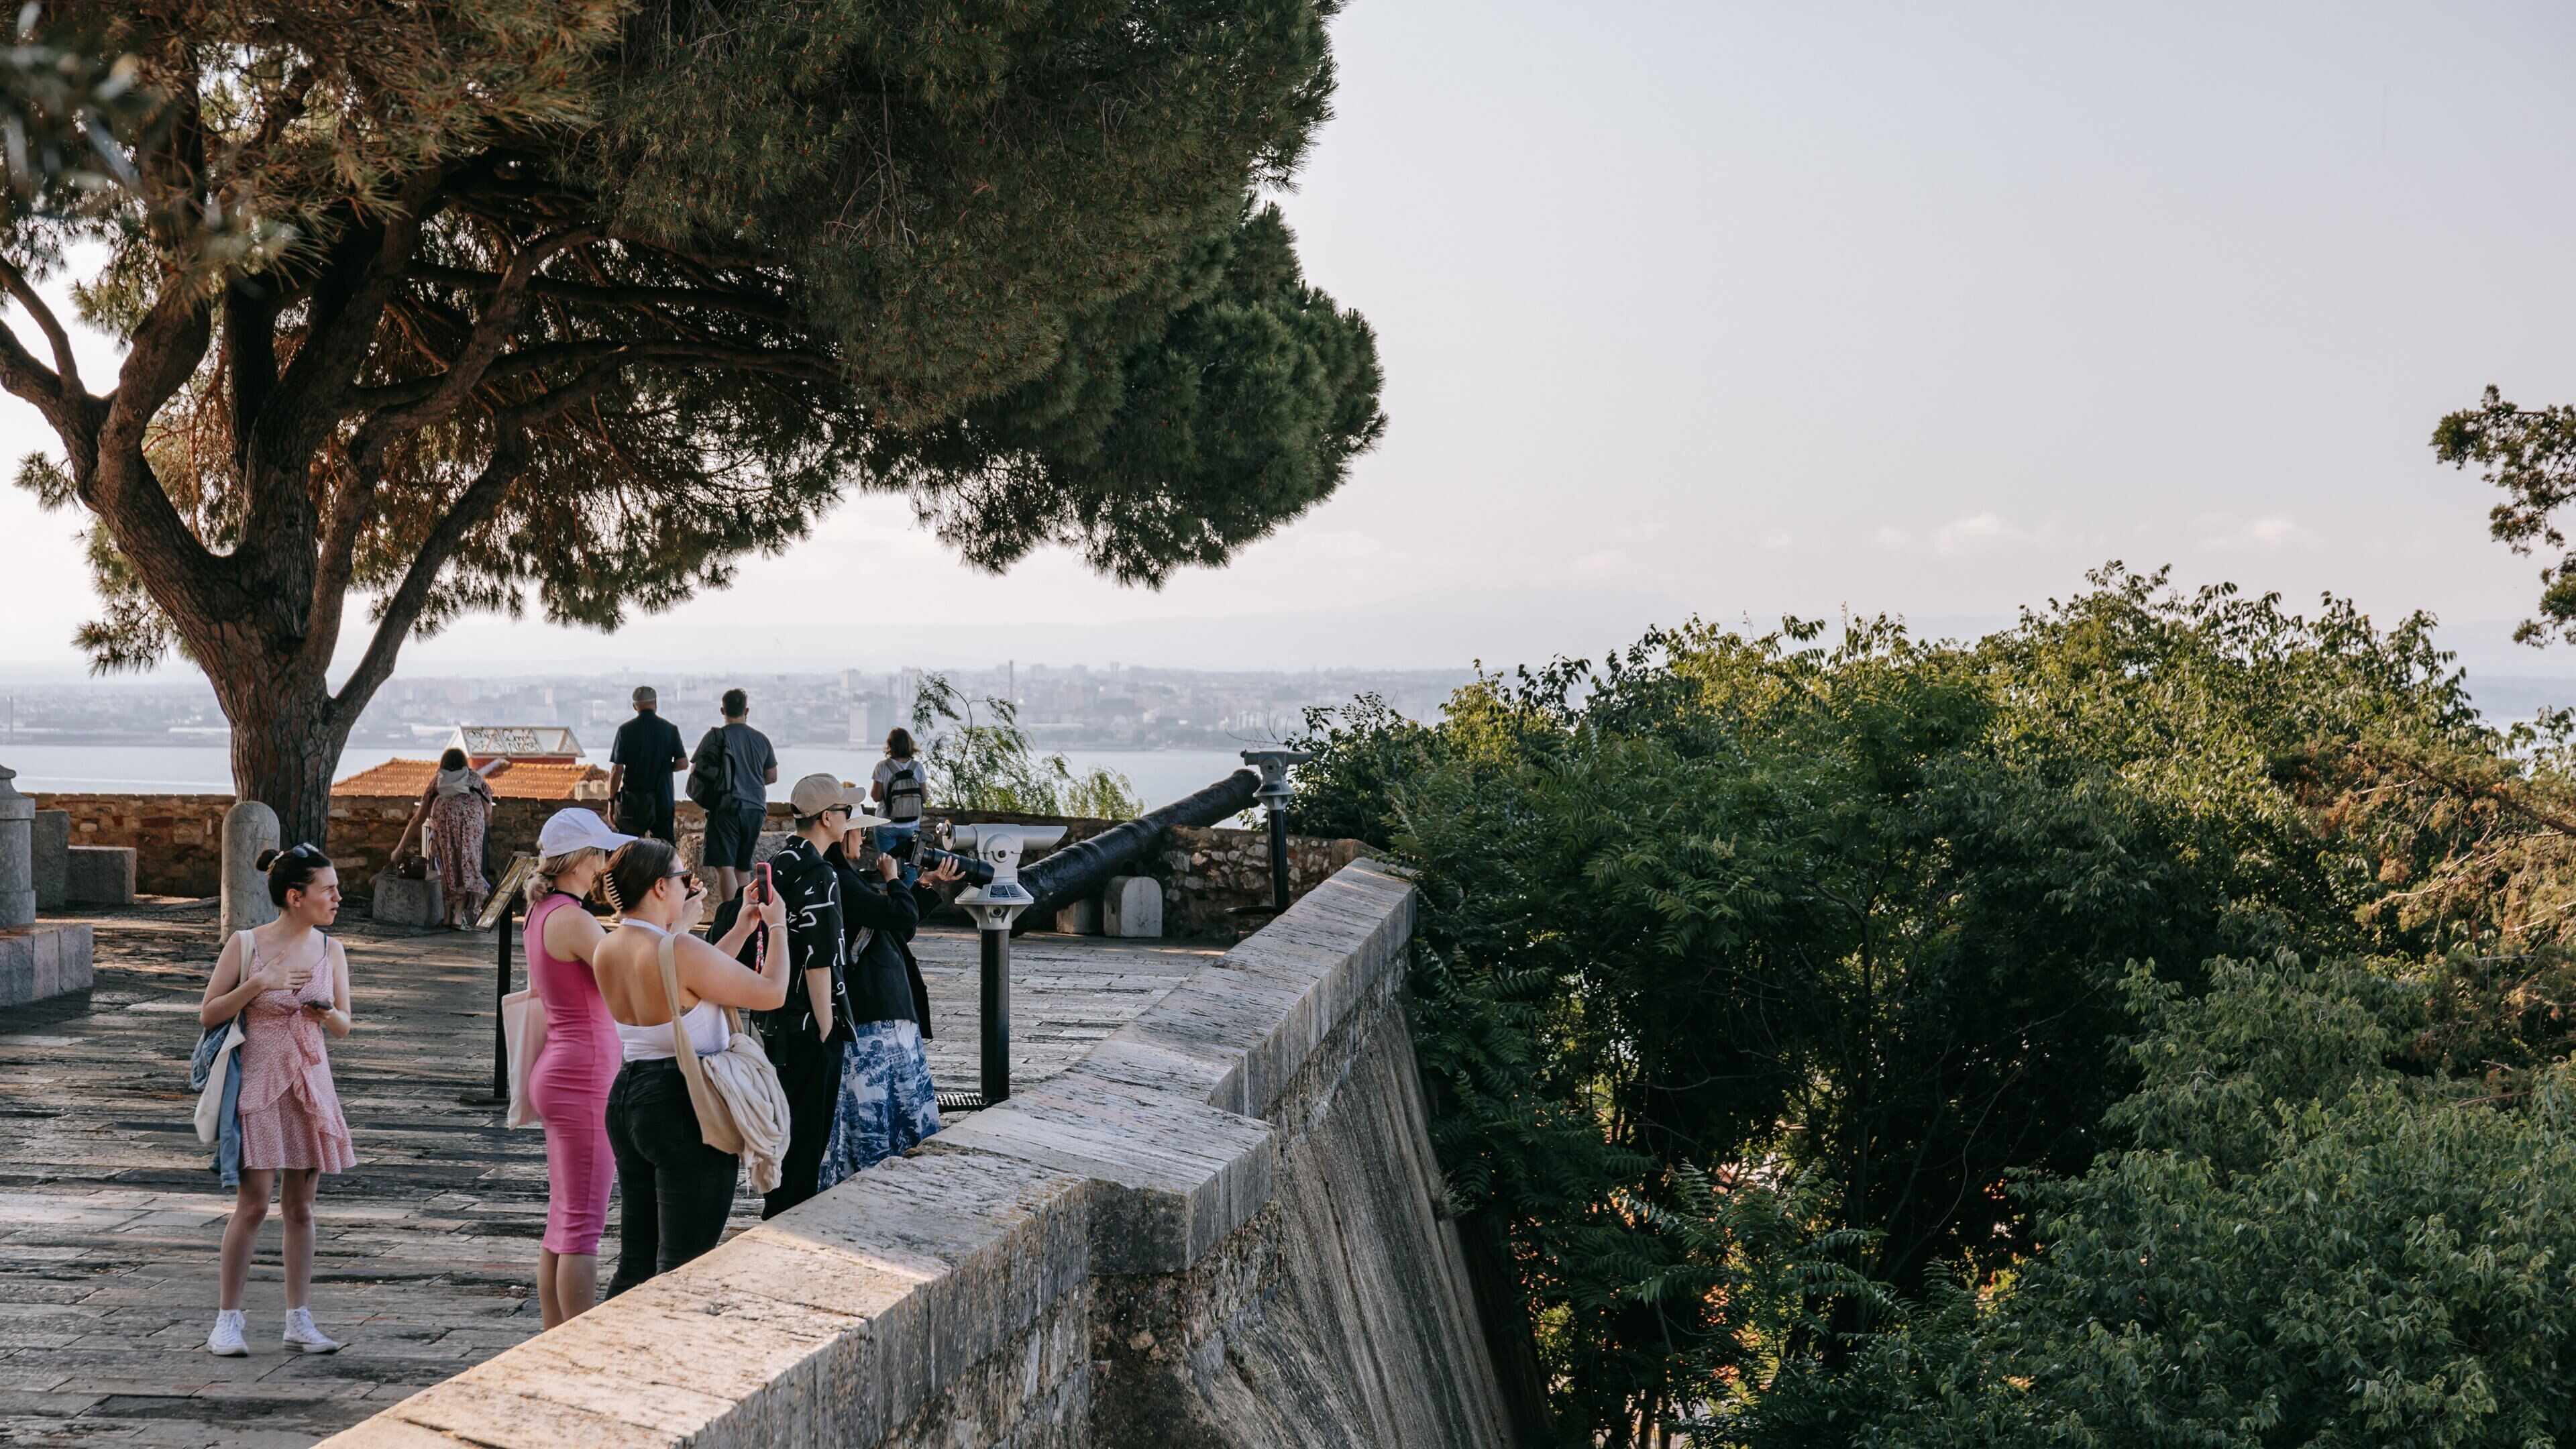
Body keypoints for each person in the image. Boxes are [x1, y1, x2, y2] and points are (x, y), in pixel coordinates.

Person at [590, 838, 786, 1296]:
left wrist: (738, 927)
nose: (689, 886)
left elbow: (697, 980)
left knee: (635, 1263)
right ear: (659, 887)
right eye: (683, 879)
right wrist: (778, 929)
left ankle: (611, 1353)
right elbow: (772, 992)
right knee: (685, 1267)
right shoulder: (678, 949)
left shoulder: (608, 947)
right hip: (684, 1102)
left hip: (630, 1097)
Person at [196, 843, 356, 1357]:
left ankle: (299, 1319)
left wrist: (325, 1013)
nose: (337, 897)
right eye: (327, 889)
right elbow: (208, 1014)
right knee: (253, 1205)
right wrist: (259, 983)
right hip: (258, 1087)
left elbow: (346, 1026)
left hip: (311, 1086)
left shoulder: (331, 950)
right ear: (295, 896)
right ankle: (227, 1320)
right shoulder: (247, 944)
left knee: (301, 1208)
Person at [521, 808, 633, 1328]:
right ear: (579, 860)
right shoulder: (571, 918)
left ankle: (553, 1336)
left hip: (564, 1069)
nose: (606, 864)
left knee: (563, 1224)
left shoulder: (545, 911)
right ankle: (577, 1345)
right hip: (583, 1074)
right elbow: (626, 969)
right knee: (583, 1228)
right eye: (600, 855)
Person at [747, 775, 871, 1219]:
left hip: (776, 1016)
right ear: (826, 818)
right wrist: (825, 1029)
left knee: (787, 1126)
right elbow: (821, 960)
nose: (850, 818)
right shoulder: (821, 874)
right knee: (807, 1137)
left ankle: (775, 1209)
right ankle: (786, 1220)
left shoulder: (780, 862)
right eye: (846, 811)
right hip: (808, 1024)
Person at [818, 816, 963, 1189]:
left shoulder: (845, 876)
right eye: (858, 830)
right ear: (839, 831)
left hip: (886, 1004)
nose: (863, 836)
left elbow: (898, 927)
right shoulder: (842, 878)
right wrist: (894, 878)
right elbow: (898, 914)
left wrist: (925, 884)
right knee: (881, 1105)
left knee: (891, 1101)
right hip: (875, 1007)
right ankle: (879, 1181)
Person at [393, 747, 512, 928]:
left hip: (443, 821)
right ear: (465, 763)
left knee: (448, 867)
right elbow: (488, 810)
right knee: (466, 866)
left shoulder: (438, 781)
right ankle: (458, 916)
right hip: (470, 823)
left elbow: (418, 818)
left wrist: (400, 847)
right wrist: (477, 823)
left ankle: (447, 916)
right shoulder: (475, 779)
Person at [692, 689, 777, 903]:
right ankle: (746, 916)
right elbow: (772, 776)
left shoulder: (715, 737)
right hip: (756, 809)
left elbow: (697, 770)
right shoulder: (761, 739)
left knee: (725, 867)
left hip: (727, 808)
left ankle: (731, 919)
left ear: (723, 710)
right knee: (742, 866)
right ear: (746, 710)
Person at [607, 686, 686, 845]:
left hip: (633, 802)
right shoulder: (670, 730)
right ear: (655, 703)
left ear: (635, 706)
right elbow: (683, 764)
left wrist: (611, 802)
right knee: (664, 850)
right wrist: (666, 768)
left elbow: (617, 770)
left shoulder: (625, 731)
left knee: (629, 849)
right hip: (662, 799)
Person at [870, 728, 929, 884]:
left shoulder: (882, 766)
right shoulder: (918, 767)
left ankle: (892, 903)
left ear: (890, 745)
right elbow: (924, 797)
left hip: (885, 825)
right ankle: (909, 903)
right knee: (911, 867)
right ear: (910, 744)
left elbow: (876, 797)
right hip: (911, 827)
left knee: (888, 867)